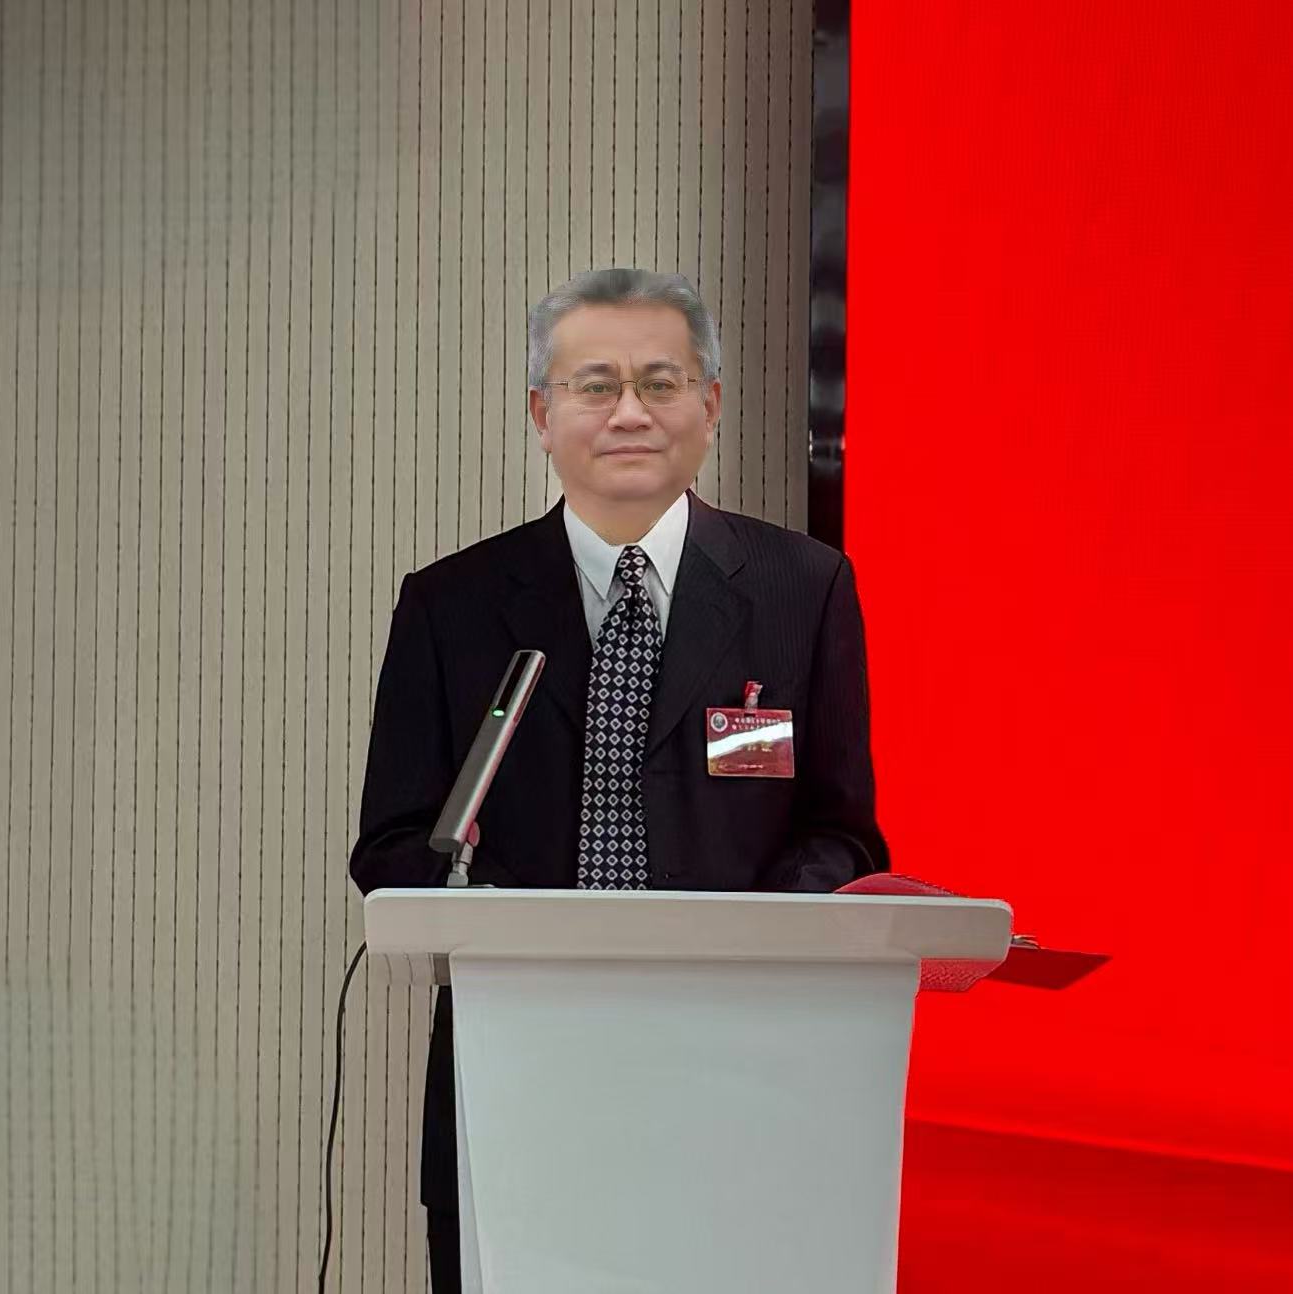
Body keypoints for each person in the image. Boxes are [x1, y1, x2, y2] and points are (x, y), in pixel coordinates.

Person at [349, 267, 888, 1291]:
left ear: (710, 406)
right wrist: (497, 916)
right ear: (542, 416)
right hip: (515, 1073)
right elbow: (391, 841)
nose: (630, 412)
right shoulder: (451, 604)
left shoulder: (803, 587)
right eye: (595, 385)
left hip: (739, 1076)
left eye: (661, 382)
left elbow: (845, 833)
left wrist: (740, 937)